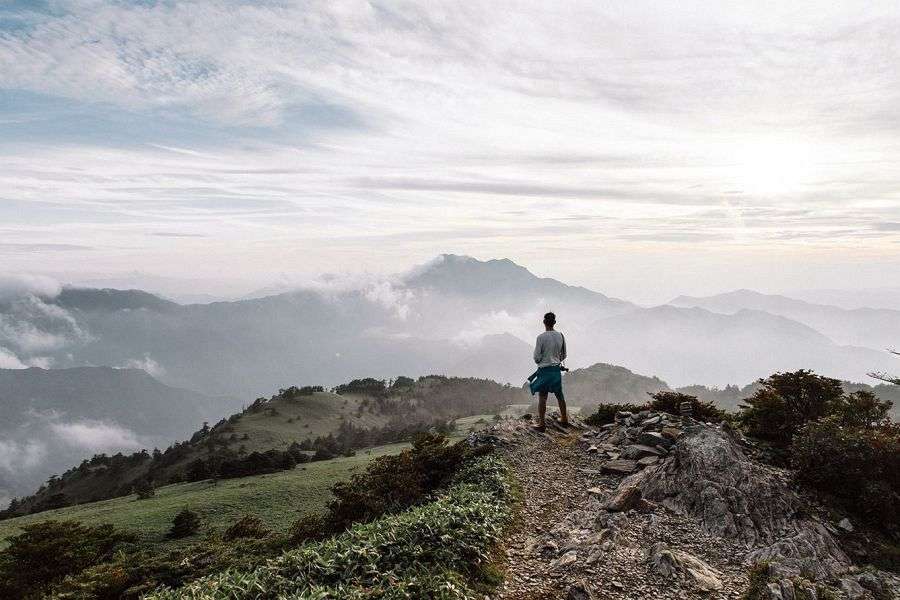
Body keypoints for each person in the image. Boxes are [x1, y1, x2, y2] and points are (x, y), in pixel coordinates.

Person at [528, 312, 568, 432]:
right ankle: (564, 419)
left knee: (543, 397)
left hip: (544, 371)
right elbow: (564, 354)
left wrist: (544, 360)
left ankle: (542, 424)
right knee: (559, 395)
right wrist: (556, 360)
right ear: (554, 322)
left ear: (544, 322)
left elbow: (536, 358)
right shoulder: (560, 335)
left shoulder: (541, 337)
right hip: (555, 370)